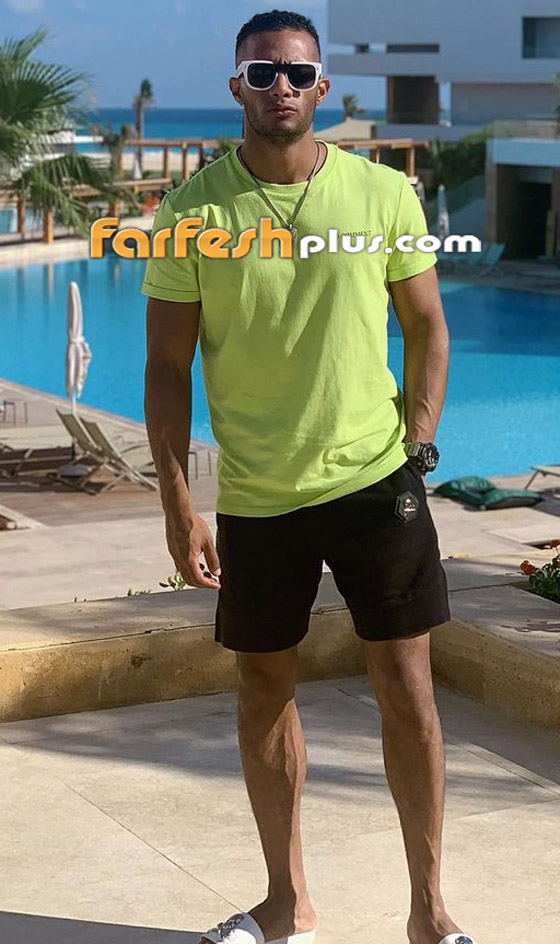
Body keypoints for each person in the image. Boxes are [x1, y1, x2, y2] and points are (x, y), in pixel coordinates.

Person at [142, 10, 476, 944]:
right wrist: (178, 503)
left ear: (322, 88)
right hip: (258, 496)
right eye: (262, 73)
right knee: (262, 690)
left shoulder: (382, 194)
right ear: (237, 87)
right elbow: (165, 369)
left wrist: (417, 444)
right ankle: (286, 906)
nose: (280, 86)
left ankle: (429, 913)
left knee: (408, 687)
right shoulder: (190, 214)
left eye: (296, 72)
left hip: (376, 481)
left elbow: (426, 326)